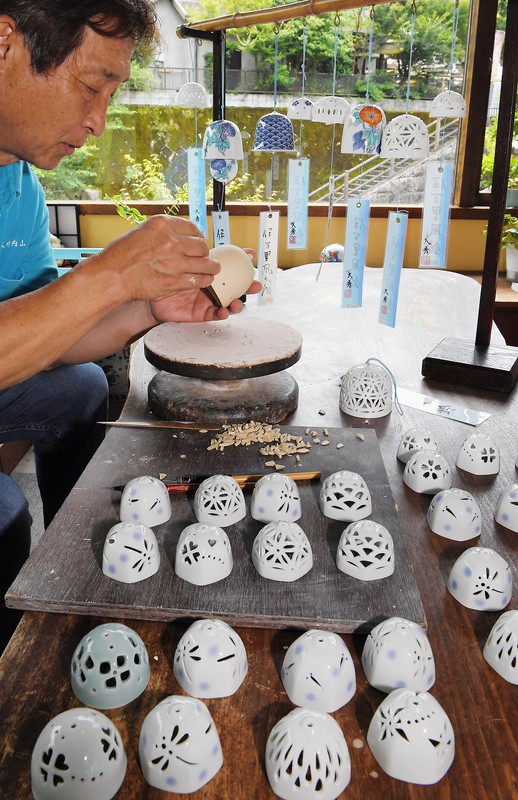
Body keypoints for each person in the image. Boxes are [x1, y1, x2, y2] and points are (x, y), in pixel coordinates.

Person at [0, 0, 260, 651]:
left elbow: (46, 341)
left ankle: (83, 558)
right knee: (3, 519)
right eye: (91, 86)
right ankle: (18, 670)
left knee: (84, 384)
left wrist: (145, 309)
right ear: (4, 44)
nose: (97, 123)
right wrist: (112, 275)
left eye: (111, 94)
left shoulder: (18, 184)